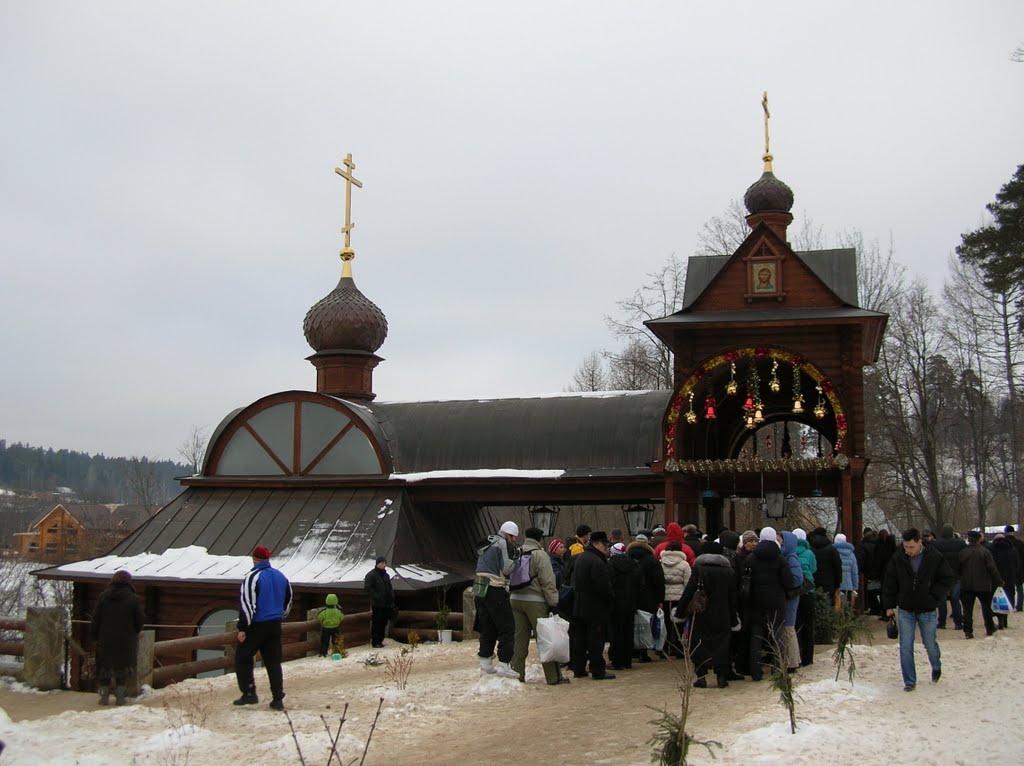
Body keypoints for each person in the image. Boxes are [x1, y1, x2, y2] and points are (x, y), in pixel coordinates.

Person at [882, 528, 954, 691]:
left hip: (927, 608)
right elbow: (890, 582)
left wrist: (934, 596)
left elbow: (947, 578)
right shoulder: (899, 557)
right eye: (906, 547)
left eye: (911, 547)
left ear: (919, 542)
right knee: (906, 646)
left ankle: (936, 665)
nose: (908, 551)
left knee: (929, 644)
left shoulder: (934, 556)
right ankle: (909, 681)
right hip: (906, 608)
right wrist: (889, 606)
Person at [235, 545, 293, 710]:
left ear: (254, 560)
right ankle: (277, 698)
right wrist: (280, 616)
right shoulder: (281, 576)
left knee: (243, 658)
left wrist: (243, 627)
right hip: (275, 624)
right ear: (268, 559)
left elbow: (248, 604)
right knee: (273, 662)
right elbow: (288, 601)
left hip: (257, 625)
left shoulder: (252, 577)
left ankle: (249, 693)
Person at [676, 541, 738, 688]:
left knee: (699, 644)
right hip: (723, 614)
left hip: (701, 614)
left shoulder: (698, 570)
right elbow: (733, 597)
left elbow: (689, 592)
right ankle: (721, 677)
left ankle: (701, 677)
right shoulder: (728, 572)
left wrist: (680, 612)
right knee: (722, 645)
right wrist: (734, 618)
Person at [508, 527, 566, 685]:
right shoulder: (541, 555)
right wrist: (553, 602)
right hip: (535, 601)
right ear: (540, 539)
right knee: (546, 639)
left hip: (515, 598)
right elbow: (548, 582)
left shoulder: (517, 551)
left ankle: (517, 675)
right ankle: (553, 677)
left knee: (519, 639)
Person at [742, 527, 796, 681]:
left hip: (756, 602)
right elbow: (789, 582)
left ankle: (756, 671)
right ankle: (778, 668)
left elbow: (745, 581)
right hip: (776, 602)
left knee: (756, 637)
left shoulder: (751, 559)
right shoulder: (780, 558)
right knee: (778, 636)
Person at [90, 570, 145, 706]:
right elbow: (140, 619)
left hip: (105, 639)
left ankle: (104, 697)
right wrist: (134, 632)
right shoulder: (133, 599)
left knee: (104, 667)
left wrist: (95, 636)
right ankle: (120, 697)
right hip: (126, 640)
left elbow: (96, 618)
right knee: (123, 667)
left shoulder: (103, 597)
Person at [473, 520, 520, 678]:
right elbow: (507, 568)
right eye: (514, 537)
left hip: (479, 587)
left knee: (487, 627)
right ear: (509, 535)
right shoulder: (502, 544)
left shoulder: (488, 541)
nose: (514, 541)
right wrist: (517, 559)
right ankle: (504, 665)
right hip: (495, 587)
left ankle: (485, 664)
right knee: (507, 627)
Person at [571, 530, 615, 680]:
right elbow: (602, 586)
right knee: (596, 639)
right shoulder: (598, 561)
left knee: (580, 639)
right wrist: (610, 598)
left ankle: (579, 668)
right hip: (595, 607)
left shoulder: (581, 558)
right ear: (596, 544)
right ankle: (597, 670)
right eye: (604, 544)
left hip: (580, 605)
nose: (606, 547)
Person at [627, 533, 665, 663]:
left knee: (631, 623)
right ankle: (643, 651)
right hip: (648, 597)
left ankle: (632, 650)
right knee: (646, 625)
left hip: (630, 596)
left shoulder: (627, 558)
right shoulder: (652, 560)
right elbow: (659, 581)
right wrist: (660, 599)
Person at [959, 529, 1003, 639]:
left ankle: (968, 631)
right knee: (986, 607)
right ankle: (989, 628)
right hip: (983, 584)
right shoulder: (985, 552)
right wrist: (999, 581)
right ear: (979, 539)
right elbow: (992, 568)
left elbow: (958, 569)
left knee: (967, 610)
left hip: (967, 584)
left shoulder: (963, 552)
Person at [608, 539, 641, 670]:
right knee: (628, 631)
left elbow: (608, 584)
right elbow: (640, 585)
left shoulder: (610, 566)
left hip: (616, 604)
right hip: (631, 603)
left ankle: (616, 660)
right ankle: (627, 660)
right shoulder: (635, 565)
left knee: (616, 632)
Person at [660, 540, 692, 656]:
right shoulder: (684, 564)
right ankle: (678, 648)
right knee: (679, 623)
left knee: (665, 623)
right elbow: (688, 582)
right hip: (680, 597)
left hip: (664, 596)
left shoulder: (660, 563)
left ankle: (665, 646)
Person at [780, 531, 805, 673]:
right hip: (788, 597)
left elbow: (797, 578)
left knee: (789, 628)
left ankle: (792, 661)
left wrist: (785, 583)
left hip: (790, 598)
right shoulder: (787, 556)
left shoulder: (791, 557)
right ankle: (793, 659)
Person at [931, 525, 965, 630]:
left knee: (942, 600)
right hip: (956, 575)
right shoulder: (960, 544)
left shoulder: (936, 544)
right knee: (955, 599)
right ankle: (958, 622)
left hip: (941, 576)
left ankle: (942, 622)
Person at [793, 528, 817, 666]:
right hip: (808, 590)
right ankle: (808, 657)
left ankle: (797, 654)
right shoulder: (809, 553)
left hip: (794, 591)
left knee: (795, 624)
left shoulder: (788, 552)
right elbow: (814, 569)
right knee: (808, 624)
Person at [988, 533, 1019, 630]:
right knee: (1007, 598)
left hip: (995, 579)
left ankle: (998, 618)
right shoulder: (1012, 550)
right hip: (1009, 579)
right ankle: (1004, 620)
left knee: (996, 599)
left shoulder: (991, 550)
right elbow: (1017, 565)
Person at [364, 556, 396, 648]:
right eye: (382, 563)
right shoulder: (371, 575)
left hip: (386, 603)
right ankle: (375, 641)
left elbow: (389, 588)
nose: (383, 565)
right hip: (377, 604)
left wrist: (391, 597)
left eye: (384, 563)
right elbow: (368, 588)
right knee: (376, 622)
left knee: (384, 622)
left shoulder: (386, 575)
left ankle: (380, 640)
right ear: (377, 564)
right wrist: (377, 596)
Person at [834, 533, 859, 607]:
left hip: (836, 585)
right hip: (848, 585)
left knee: (837, 606)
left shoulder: (833, 552)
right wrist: (855, 586)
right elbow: (854, 572)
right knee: (847, 607)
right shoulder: (851, 555)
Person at [1003, 525, 1024, 611]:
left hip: (1007, 569)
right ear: (1013, 532)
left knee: (1007, 588)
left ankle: (1009, 604)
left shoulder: (1003, 543)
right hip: (1019, 569)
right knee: (1019, 588)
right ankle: (1019, 606)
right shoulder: (1020, 543)